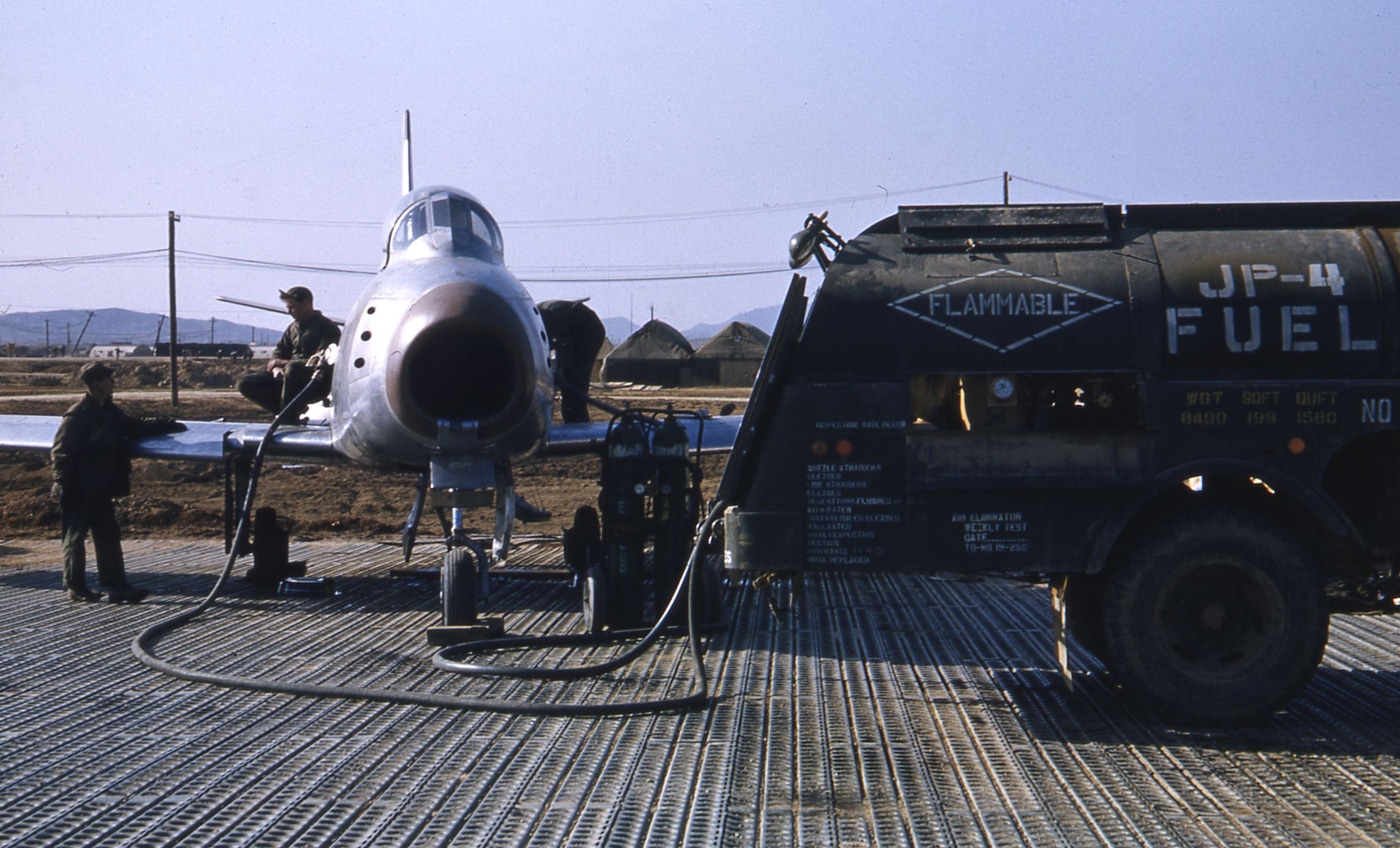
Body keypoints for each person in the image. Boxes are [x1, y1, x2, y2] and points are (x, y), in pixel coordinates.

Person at [51, 362, 186, 603]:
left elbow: (134, 427)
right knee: (74, 539)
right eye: (108, 379)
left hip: (100, 487)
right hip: (78, 488)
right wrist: (63, 485)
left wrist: (165, 424)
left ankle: (117, 587)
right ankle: (76, 587)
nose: (113, 382)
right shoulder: (77, 415)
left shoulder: (111, 412)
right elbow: (61, 453)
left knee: (108, 537)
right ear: (96, 384)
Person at [238, 286, 342, 416]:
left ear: (305, 305)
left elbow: (321, 360)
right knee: (246, 383)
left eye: (292, 307)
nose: (289, 312)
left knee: (293, 368)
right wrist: (276, 368)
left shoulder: (328, 328)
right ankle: (287, 412)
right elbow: (279, 351)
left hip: (314, 383)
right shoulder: (292, 329)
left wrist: (284, 364)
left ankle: (288, 417)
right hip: (288, 379)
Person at [538, 299, 606, 424]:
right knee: (572, 385)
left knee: (572, 384)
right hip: (581, 326)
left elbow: (563, 343)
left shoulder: (543, 318)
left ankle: (577, 425)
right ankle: (576, 419)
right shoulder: (540, 315)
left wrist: (561, 369)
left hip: (587, 329)